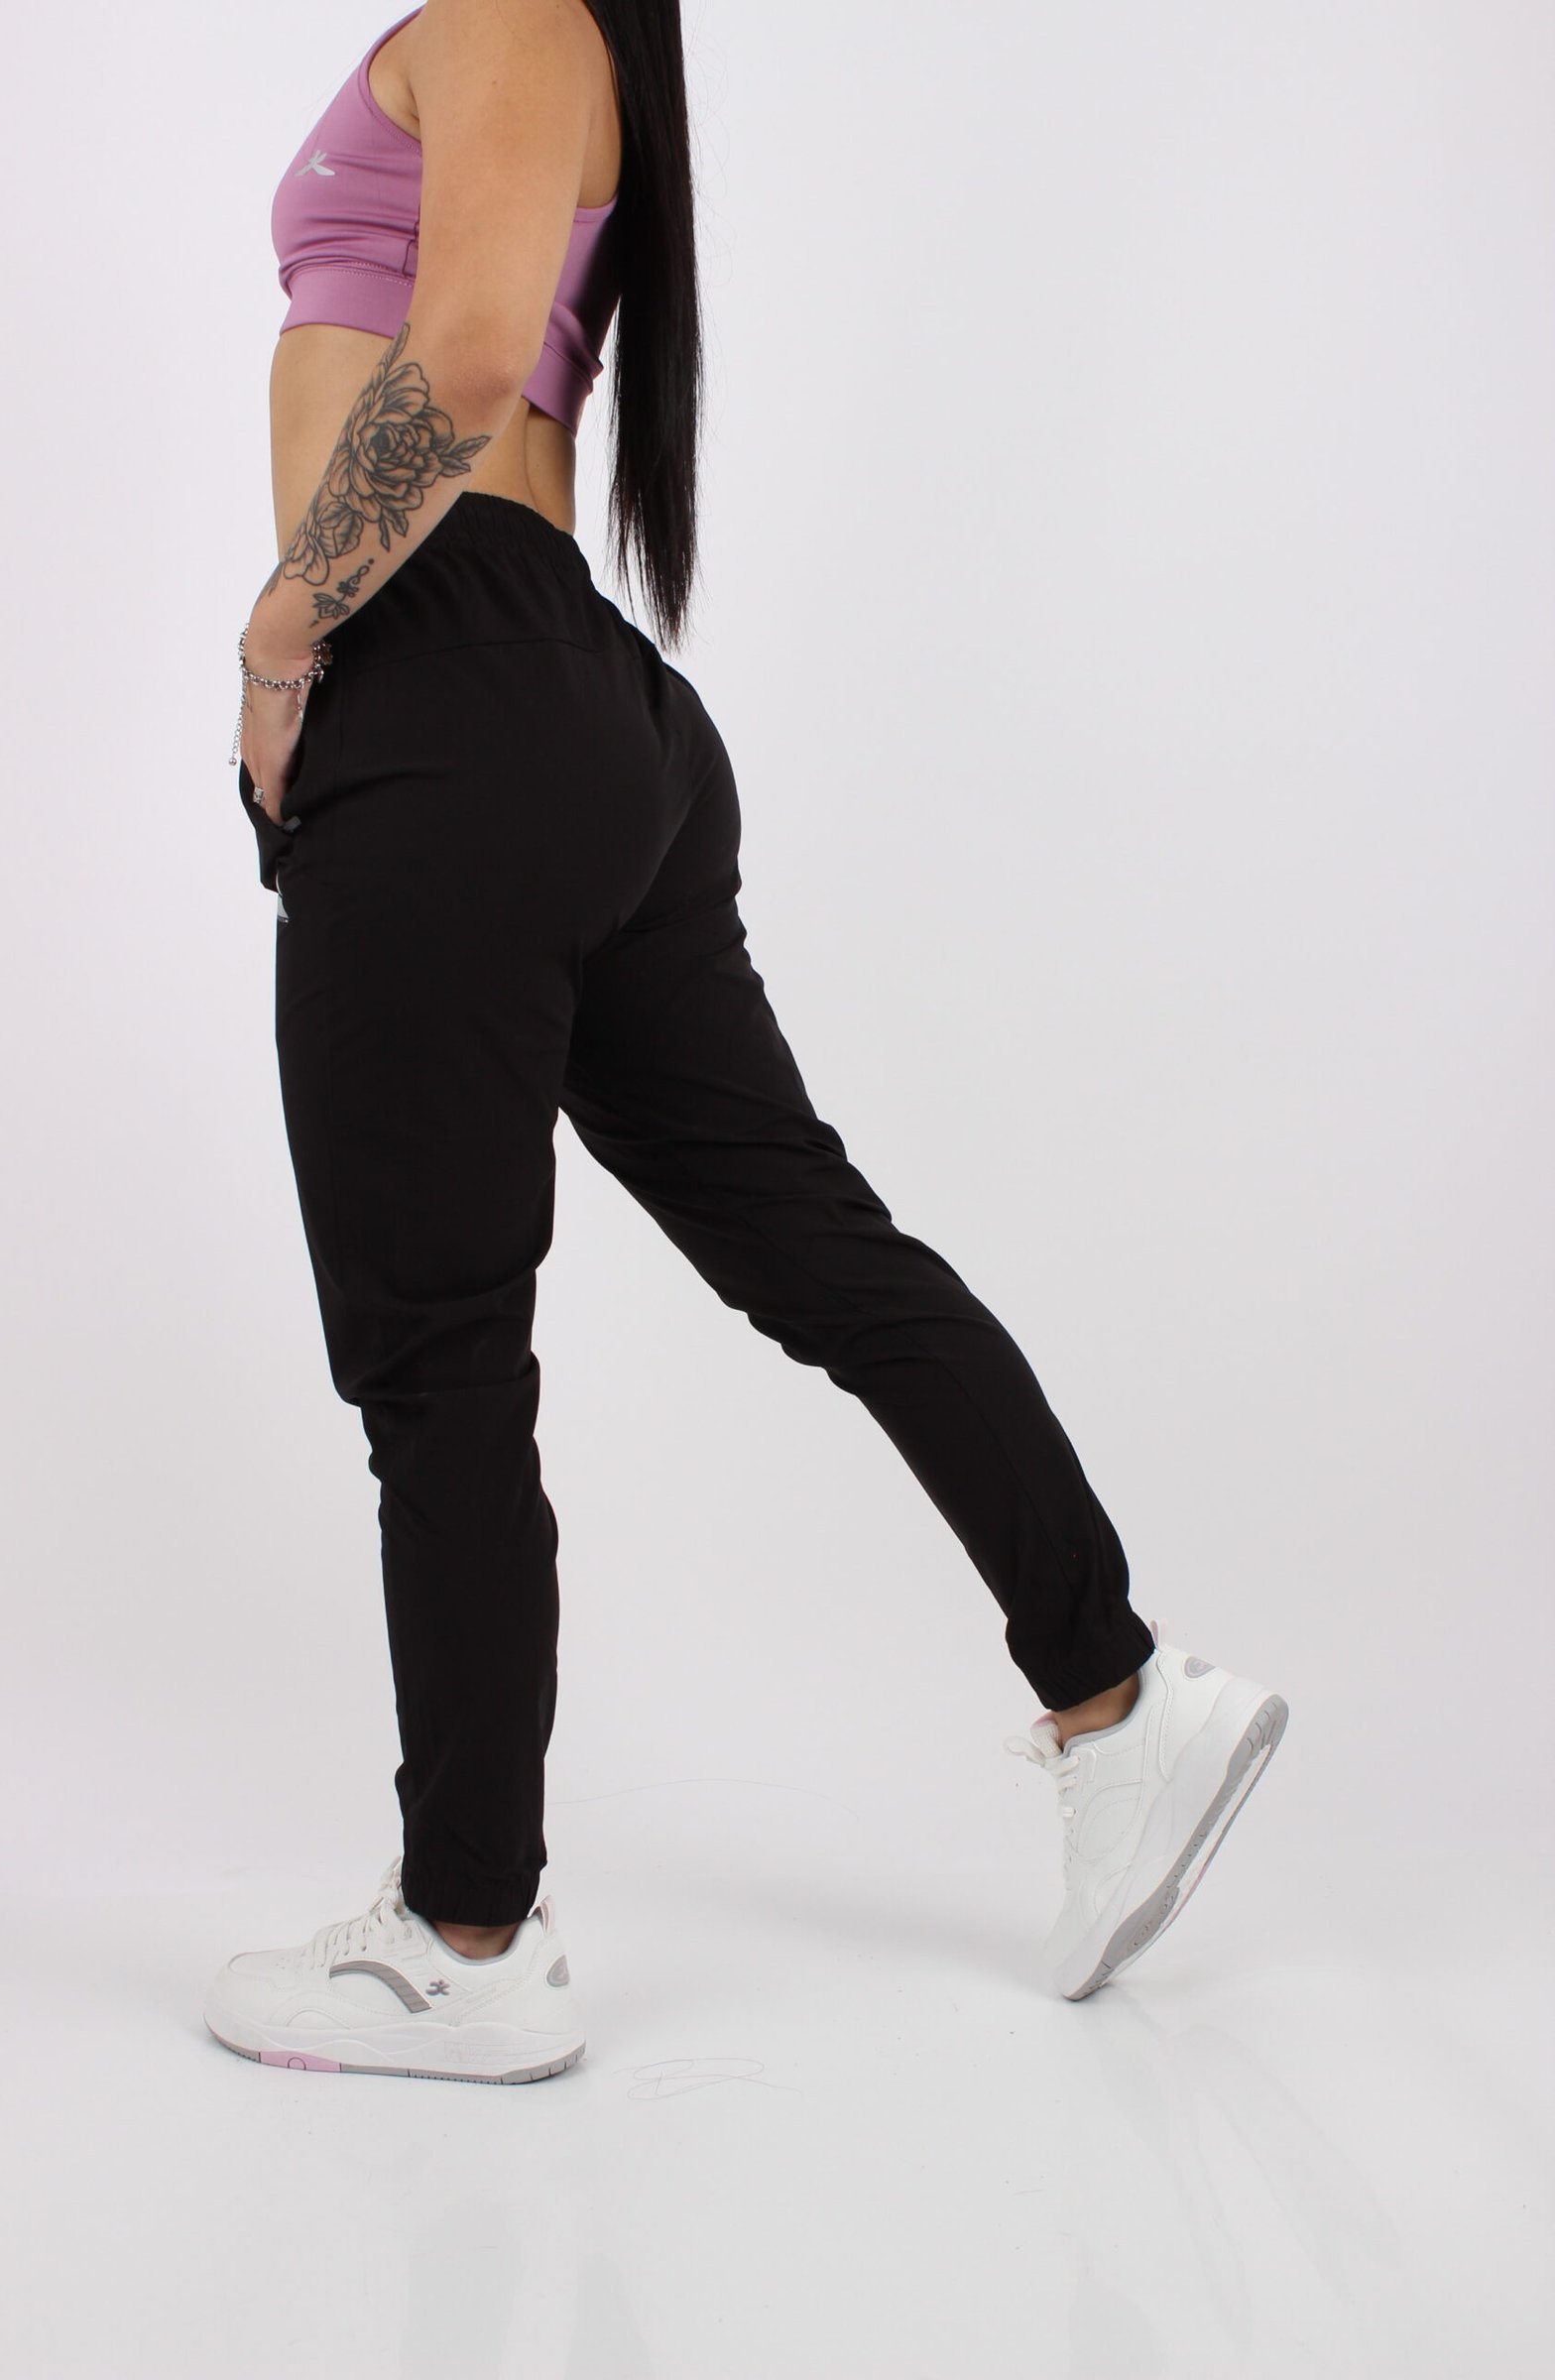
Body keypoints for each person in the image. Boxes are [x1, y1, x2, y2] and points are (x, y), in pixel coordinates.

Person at [202, 0, 1288, 2084]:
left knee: (435, 1353)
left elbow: (463, 351)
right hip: (579, 713)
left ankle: (465, 1938)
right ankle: (1119, 1710)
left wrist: (277, 638)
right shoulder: (574, 39)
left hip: (444, 694)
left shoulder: (511, 11)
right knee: (814, 1249)